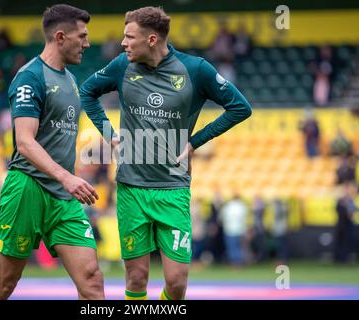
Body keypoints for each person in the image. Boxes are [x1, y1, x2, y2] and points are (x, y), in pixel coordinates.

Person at [80, 6, 252, 300]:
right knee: (136, 278)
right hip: (131, 187)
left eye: (129, 37)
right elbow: (87, 91)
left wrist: (194, 141)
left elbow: (240, 107)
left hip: (173, 188)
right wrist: (110, 136)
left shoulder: (196, 69)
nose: (123, 43)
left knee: (176, 283)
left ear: (151, 40)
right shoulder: (122, 65)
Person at [0, 4, 104, 300]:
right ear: (60, 37)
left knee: (92, 279)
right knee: (2, 285)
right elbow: (24, 142)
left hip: (63, 196)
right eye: (82, 37)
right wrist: (67, 177)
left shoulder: (71, 81)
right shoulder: (30, 77)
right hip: (28, 187)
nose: (87, 44)